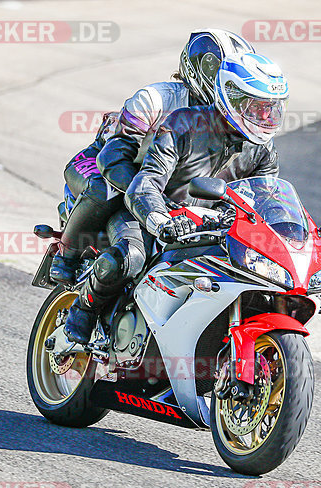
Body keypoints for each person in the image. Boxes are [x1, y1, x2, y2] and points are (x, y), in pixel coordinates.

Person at [63, 52, 290, 344]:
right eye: (257, 107)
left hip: (209, 229)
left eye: (272, 109)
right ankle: (84, 309)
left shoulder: (263, 150)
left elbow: (267, 201)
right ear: (231, 98)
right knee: (129, 259)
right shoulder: (184, 124)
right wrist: (159, 218)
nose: (266, 117)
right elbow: (146, 183)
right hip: (148, 214)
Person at [49, 29, 255, 284]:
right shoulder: (155, 98)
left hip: (160, 183)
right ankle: (66, 255)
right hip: (104, 164)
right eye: (219, 73)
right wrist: (152, 200)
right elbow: (114, 157)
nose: (224, 82)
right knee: (105, 190)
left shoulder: (240, 118)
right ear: (197, 69)